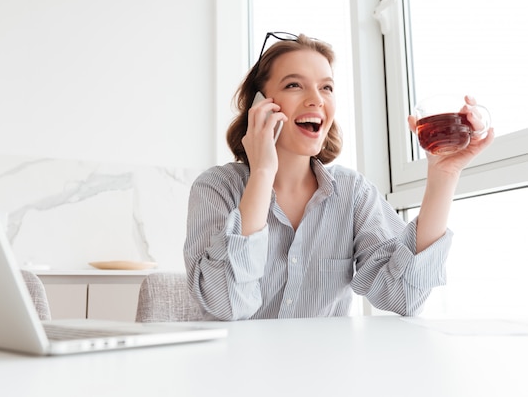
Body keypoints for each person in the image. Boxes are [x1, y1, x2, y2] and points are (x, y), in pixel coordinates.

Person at [183, 32, 494, 320]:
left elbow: (404, 297)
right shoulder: (216, 189)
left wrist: (444, 174)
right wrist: (262, 171)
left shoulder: (353, 193)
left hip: (329, 372)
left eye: (326, 87)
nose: (317, 99)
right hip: (237, 373)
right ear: (259, 105)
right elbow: (225, 302)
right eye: (294, 85)